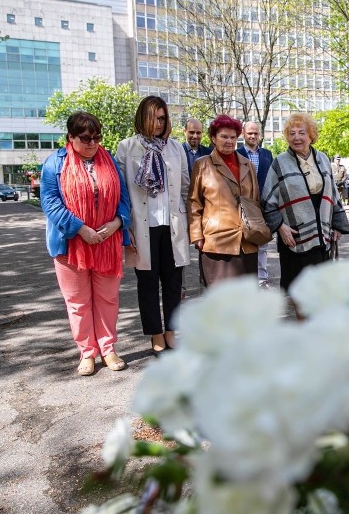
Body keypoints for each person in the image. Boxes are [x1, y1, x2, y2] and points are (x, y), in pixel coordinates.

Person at [40, 111, 131, 376]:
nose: (92, 143)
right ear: (71, 137)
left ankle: (108, 348)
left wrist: (116, 223)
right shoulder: (54, 163)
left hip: (106, 242)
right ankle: (87, 352)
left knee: (108, 298)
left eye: (97, 137)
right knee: (78, 302)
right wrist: (80, 229)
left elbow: (124, 199)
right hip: (71, 244)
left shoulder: (109, 161)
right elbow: (50, 203)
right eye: (85, 138)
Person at [115, 96, 190, 354]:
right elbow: (122, 192)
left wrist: (187, 220)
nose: (159, 123)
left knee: (172, 282)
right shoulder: (126, 148)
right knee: (147, 283)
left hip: (172, 225)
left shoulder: (175, 148)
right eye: (154, 117)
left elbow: (184, 186)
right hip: (142, 226)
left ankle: (171, 330)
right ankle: (155, 333)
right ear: (142, 117)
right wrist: (126, 228)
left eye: (163, 118)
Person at [262, 113, 349, 290]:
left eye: (301, 132)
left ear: (311, 135)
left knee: (320, 293)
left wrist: (337, 224)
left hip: (321, 237)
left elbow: (333, 193)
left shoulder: (323, 159)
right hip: (293, 238)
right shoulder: (279, 162)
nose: (297, 137)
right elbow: (267, 200)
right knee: (299, 293)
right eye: (292, 133)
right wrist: (280, 227)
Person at [189, 115, 259, 286]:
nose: (229, 141)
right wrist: (197, 235)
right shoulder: (203, 165)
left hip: (246, 241)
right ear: (213, 138)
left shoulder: (247, 165)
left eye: (233, 137)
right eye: (224, 136)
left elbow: (256, 200)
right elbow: (194, 202)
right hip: (216, 242)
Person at [236, 121, 274, 289]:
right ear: (243, 134)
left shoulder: (267, 154)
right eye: (249, 133)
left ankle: (262, 279)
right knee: (245, 241)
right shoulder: (237, 154)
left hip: (263, 205)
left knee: (263, 242)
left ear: (259, 135)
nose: (252, 136)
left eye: (255, 133)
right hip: (245, 204)